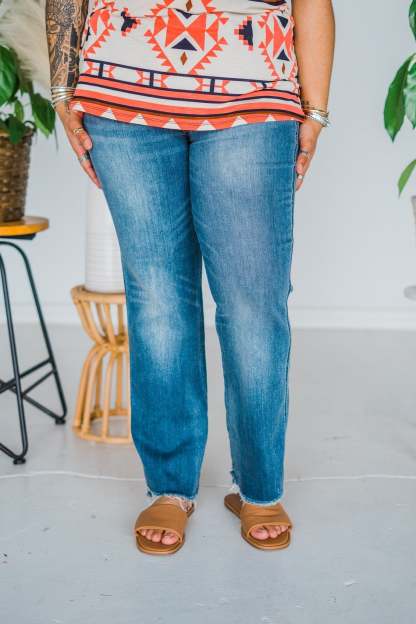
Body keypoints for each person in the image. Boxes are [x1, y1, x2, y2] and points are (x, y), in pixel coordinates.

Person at [46, 0, 335, 555]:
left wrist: (315, 111)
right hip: (120, 93)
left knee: (254, 304)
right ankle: (170, 485)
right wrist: (63, 88)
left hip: (253, 93)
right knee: (157, 298)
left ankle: (259, 486)